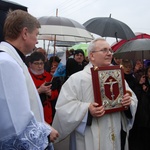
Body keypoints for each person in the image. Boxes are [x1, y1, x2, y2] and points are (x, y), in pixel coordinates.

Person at [52, 38, 138, 150]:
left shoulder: (118, 76)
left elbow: (132, 98)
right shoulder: (78, 79)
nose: (109, 54)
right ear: (92, 55)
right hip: (89, 135)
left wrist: (128, 101)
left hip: (115, 131)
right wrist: (87, 109)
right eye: (104, 50)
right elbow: (63, 107)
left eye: (110, 50)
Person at [0, 10, 58, 150]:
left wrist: (43, 125)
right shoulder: (6, 63)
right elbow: (13, 122)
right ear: (25, 33)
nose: (37, 40)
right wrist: (44, 134)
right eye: (36, 34)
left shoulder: (12, 59)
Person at [28, 51, 59, 125]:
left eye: (41, 63)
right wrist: (39, 91)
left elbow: (56, 93)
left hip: (47, 113)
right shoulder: (26, 76)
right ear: (30, 64)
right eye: (36, 63)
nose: (39, 66)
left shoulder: (49, 76)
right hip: (32, 112)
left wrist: (50, 93)